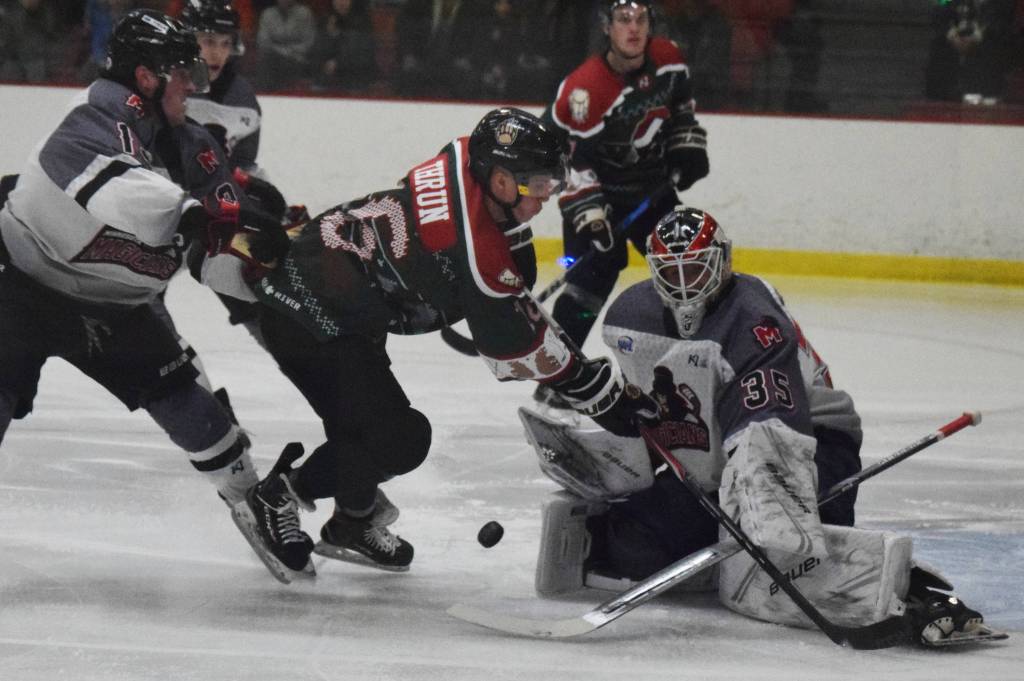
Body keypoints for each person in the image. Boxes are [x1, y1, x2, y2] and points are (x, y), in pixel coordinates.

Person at [195, 107, 661, 582]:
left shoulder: (463, 159)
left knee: (361, 422)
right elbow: (517, 347)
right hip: (308, 319)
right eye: (538, 184)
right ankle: (277, 496)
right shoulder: (476, 250)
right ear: (500, 182)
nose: (545, 196)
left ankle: (352, 522)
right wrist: (596, 393)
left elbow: (499, 290)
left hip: (329, 295)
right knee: (399, 440)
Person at [530, 205, 1000, 647]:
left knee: (791, 549)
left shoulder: (753, 317)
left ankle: (926, 596)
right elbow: (653, 415)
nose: (683, 286)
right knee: (635, 551)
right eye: (669, 273)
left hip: (810, 442)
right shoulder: (630, 315)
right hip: (714, 460)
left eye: (694, 270)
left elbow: (769, 431)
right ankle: (725, 552)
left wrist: (763, 506)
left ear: (723, 262)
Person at [0, 11, 288, 536]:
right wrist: (190, 212)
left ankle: (253, 503)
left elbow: (223, 223)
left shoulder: (190, 140)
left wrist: (259, 239)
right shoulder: (95, 111)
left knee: (190, 405)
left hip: (114, 303)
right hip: (23, 282)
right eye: (181, 72)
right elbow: (114, 181)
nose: (191, 84)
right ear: (146, 77)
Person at [540, 0, 710, 397]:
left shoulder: (668, 59)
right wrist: (592, 217)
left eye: (641, 19)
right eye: (623, 20)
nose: (633, 28)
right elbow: (561, 159)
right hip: (598, 196)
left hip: (652, 193)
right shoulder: (584, 90)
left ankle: (696, 373)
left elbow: (682, 109)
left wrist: (687, 147)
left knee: (685, 272)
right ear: (606, 27)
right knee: (588, 286)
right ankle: (558, 382)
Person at [308, 0, 377, 93]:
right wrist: (329, 35)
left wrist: (338, 62)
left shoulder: (363, 20)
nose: (341, 3)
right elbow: (317, 49)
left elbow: (361, 50)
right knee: (318, 82)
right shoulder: (326, 19)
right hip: (330, 70)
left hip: (357, 69)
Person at [254, 0, 316, 91]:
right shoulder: (268, 14)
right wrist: (280, 51)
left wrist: (286, 51)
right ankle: (264, 95)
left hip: (296, 58)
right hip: (273, 57)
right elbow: (262, 41)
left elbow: (308, 42)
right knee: (265, 61)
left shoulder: (304, 14)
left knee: (288, 65)